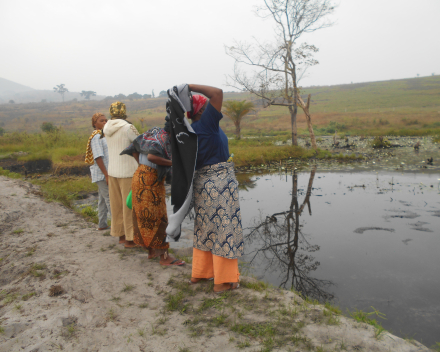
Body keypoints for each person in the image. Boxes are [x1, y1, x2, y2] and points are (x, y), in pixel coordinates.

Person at [187, 84, 244, 293]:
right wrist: (190, 86)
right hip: (219, 185)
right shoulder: (207, 123)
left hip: (202, 185)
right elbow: (217, 93)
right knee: (224, 229)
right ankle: (223, 281)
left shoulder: (190, 130)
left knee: (205, 229)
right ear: (203, 110)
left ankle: (200, 273)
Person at [121, 117, 184, 266]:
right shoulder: (165, 139)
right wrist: (174, 163)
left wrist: (142, 167)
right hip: (151, 182)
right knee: (159, 217)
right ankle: (164, 257)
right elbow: (152, 156)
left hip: (139, 176)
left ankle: (151, 252)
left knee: (142, 217)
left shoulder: (153, 132)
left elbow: (134, 148)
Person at [103, 102, 139, 248]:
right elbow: (140, 143)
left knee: (116, 206)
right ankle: (131, 239)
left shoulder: (106, 127)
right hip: (128, 171)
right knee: (129, 206)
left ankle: (121, 236)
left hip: (113, 171)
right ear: (124, 111)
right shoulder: (128, 127)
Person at [85, 113, 111, 231]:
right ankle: (119, 227)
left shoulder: (104, 135)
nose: (105, 122)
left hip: (105, 172)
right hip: (102, 174)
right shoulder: (96, 137)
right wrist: (106, 174)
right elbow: (98, 157)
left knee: (102, 200)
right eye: (101, 121)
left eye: (106, 120)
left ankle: (102, 224)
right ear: (94, 124)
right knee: (110, 199)